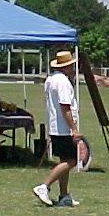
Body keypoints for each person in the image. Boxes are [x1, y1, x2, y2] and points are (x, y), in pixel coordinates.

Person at [33, 51, 82, 207]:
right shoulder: (63, 82)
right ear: (67, 65)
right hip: (63, 127)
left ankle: (64, 195)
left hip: (55, 126)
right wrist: (74, 128)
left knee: (64, 161)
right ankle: (44, 186)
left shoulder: (51, 79)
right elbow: (65, 106)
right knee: (72, 161)